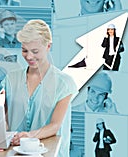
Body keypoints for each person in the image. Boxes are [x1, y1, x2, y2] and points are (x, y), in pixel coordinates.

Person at [6, 19, 77, 157]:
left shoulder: (64, 83)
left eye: (35, 51)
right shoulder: (10, 79)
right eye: (24, 50)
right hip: (15, 153)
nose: (29, 56)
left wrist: (29, 136)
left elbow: (55, 125)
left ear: (48, 46)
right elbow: (2, 117)